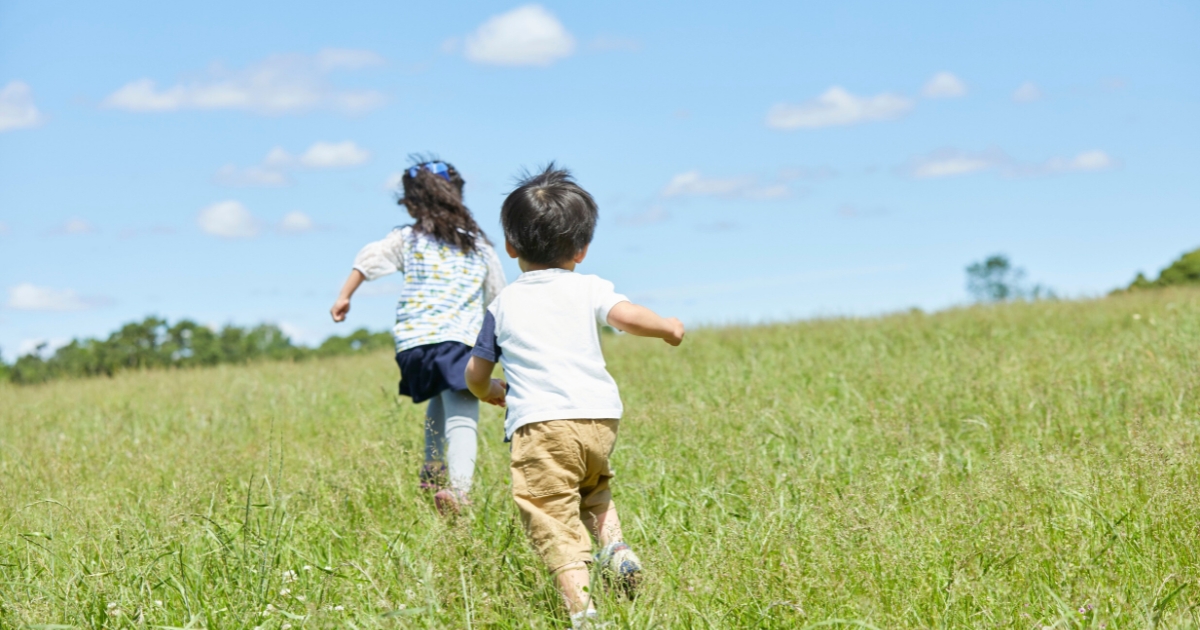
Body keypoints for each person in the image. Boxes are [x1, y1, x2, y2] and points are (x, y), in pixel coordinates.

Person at [464, 165, 684, 628]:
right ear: (582, 249)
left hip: (541, 425)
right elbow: (627, 317)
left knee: (551, 516)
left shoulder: (502, 305)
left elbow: (476, 373)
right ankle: (615, 548)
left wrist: (488, 391)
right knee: (593, 490)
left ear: (510, 247)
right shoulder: (590, 288)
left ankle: (584, 615)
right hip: (599, 421)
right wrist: (666, 327)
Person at [331, 158, 506, 514]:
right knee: (463, 412)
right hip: (456, 338)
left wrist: (345, 295)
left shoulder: (407, 239)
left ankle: (432, 471)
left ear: (412, 204)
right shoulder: (478, 247)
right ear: (457, 197)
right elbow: (499, 297)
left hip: (414, 345)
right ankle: (460, 491)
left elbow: (370, 258)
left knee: (441, 396)